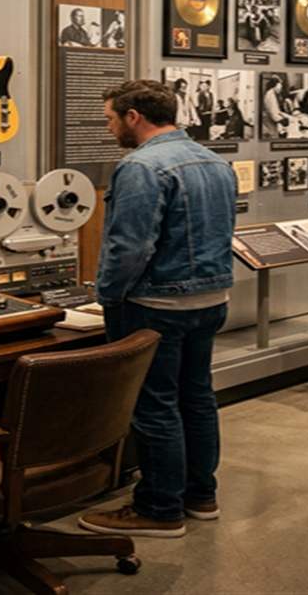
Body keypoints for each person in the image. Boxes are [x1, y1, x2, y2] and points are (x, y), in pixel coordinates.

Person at [78, 79, 236, 539]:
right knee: (198, 398)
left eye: (110, 119)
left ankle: (160, 507)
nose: (109, 129)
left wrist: (107, 295)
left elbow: (130, 246)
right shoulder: (214, 160)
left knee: (154, 407)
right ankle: (199, 496)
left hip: (156, 303)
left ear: (133, 117)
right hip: (210, 300)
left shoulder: (142, 166)